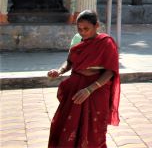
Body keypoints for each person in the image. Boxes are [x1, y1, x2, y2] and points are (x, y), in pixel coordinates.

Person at [47, 10, 120, 148]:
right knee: (67, 126)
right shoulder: (76, 39)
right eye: (79, 28)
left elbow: (110, 71)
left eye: (86, 29)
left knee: (94, 130)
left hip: (96, 90)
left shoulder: (106, 42)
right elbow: (69, 62)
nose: (82, 32)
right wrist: (59, 71)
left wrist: (89, 89)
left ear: (96, 25)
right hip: (76, 89)